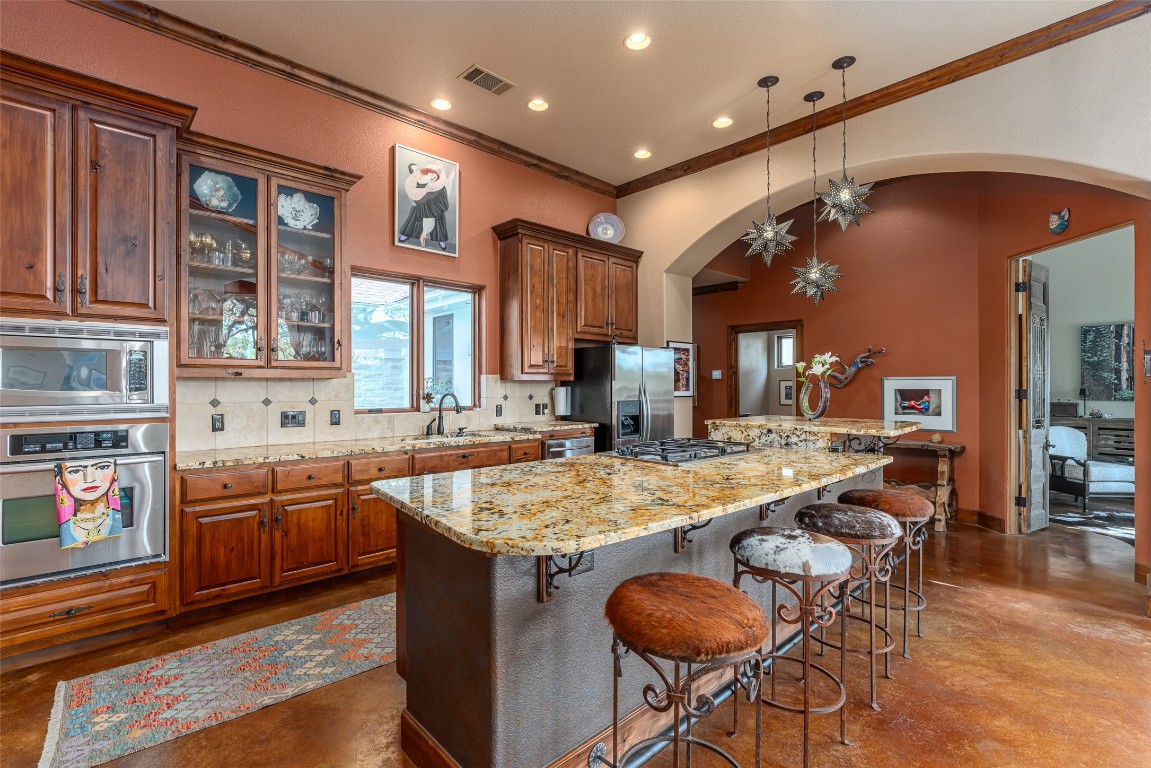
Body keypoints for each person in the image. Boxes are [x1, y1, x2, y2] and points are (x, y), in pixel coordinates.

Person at [55, 458, 123, 548]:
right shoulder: (64, 528)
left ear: (115, 473)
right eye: (75, 471)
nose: (89, 479)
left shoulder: (117, 517)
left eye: (102, 467)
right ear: (60, 480)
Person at [397, 161, 456, 251]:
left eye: (433, 174)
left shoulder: (441, 185)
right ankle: (406, 234)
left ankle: (441, 240)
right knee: (415, 213)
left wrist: (450, 173)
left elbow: (445, 194)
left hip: (437, 207)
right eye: (430, 175)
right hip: (422, 206)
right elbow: (416, 195)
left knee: (439, 217)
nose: (432, 176)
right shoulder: (422, 184)